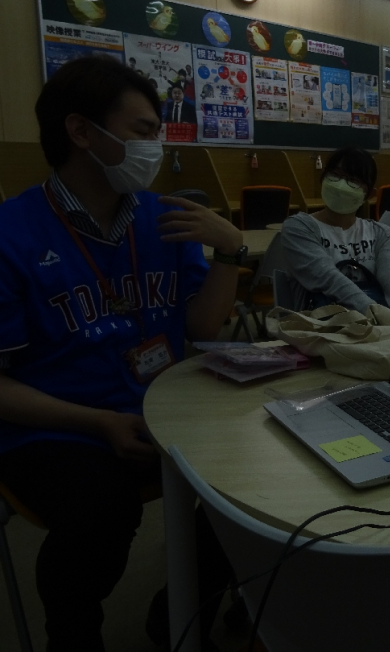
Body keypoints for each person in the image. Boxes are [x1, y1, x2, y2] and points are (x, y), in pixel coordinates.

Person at [0, 56, 243, 651]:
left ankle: (180, 609)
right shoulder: (12, 232)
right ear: (81, 132)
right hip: (57, 428)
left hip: (161, 409)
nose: (156, 148)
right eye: (142, 131)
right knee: (101, 512)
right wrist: (100, 422)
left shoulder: (165, 220)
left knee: (257, 474)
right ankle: (73, 635)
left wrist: (231, 252)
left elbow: (202, 326)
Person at [280, 147, 390, 316]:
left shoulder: (381, 234)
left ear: (370, 194)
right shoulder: (299, 228)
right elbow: (328, 280)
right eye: (335, 175)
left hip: (376, 325)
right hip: (324, 325)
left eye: (353, 180)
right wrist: (377, 315)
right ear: (323, 177)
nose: (341, 185)